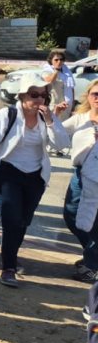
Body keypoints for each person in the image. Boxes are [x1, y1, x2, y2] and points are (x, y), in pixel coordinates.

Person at [0, 77, 68, 287]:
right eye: (34, 94)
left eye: (43, 95)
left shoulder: (47, 118)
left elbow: (62, 145)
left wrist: (52, 121)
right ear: (23, 95)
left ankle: (12, 255)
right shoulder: (7, 114)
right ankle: (8, 267)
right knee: (11, 218)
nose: (39, 99)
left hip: (36, 176)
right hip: (8, 172)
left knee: (23, 221)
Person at [64, 87, 98, 283]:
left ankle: (92, 265)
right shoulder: (80, 118)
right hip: (79, 173)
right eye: (95, 94)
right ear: (88, 96)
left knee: (92, 220)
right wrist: (54, 116)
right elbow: (58, 131)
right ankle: (93, 255)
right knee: (70, 214)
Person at [43, 48, 75, 115]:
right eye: (56, 60)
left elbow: (71, 88)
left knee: (65, 124)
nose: (59, 61)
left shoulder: (67, 72)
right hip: (54, 105)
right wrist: (56, 70)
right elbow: (49, 81)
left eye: (61, 59)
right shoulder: (47, 70)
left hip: (66, 105)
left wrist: (73, 103)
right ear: (51, 60)